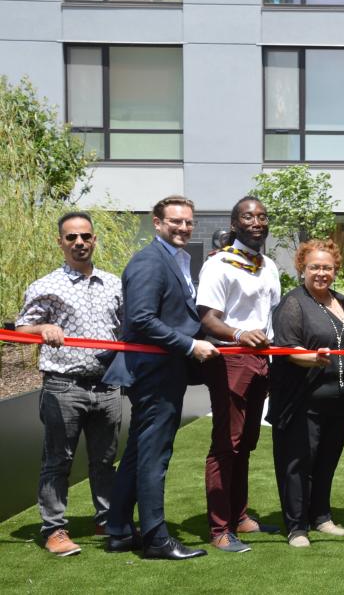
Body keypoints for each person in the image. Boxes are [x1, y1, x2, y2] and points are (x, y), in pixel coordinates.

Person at [103, 195, 219, 560]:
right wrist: (190, 345)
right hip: (154, 373)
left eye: (188, 222)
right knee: (155, 456)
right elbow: (140, 319)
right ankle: (155, 539)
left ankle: (120, 530)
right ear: (156, 223)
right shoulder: (150, 262)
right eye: (175, 221)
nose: (183, 227)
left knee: (139, 451)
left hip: (163, 371)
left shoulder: (176, 260)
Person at [15, 212, 123, 557]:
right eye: (72, 237)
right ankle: (54, 529)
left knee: (106, 459)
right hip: (64, 386)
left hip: (107, 386)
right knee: (57, 460)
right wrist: (41, 330)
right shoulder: (46, 286)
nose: (80, 243)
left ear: (94, 240)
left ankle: (107, 520)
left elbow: (124, 331)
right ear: (60, 242)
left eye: (86, 237)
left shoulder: (114, 284)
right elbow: (20, 329)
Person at [196, 196, 281, 553]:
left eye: (262, 216)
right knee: (225, 445)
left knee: (246, 443)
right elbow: (208, 319)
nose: (257, 222)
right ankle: (220, 528)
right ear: (234, 224)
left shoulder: (269, 265)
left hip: (262, 361)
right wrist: (238, 334)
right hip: (231, 359)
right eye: (248, 216)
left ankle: (240, 515)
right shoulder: (218, 265)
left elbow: (269, 315)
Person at [268, 240, 344, 548]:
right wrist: (311, 357)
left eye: (327, 268)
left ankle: (321, 516)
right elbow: (286, 348)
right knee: (297, 463)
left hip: (342, 401)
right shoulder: (293, 303)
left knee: (326, 462)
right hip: (303, 400)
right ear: (302, 269)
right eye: (314, 267)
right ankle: (297, 527)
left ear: (336, 269)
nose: (321, 273)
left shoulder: (343, 301)